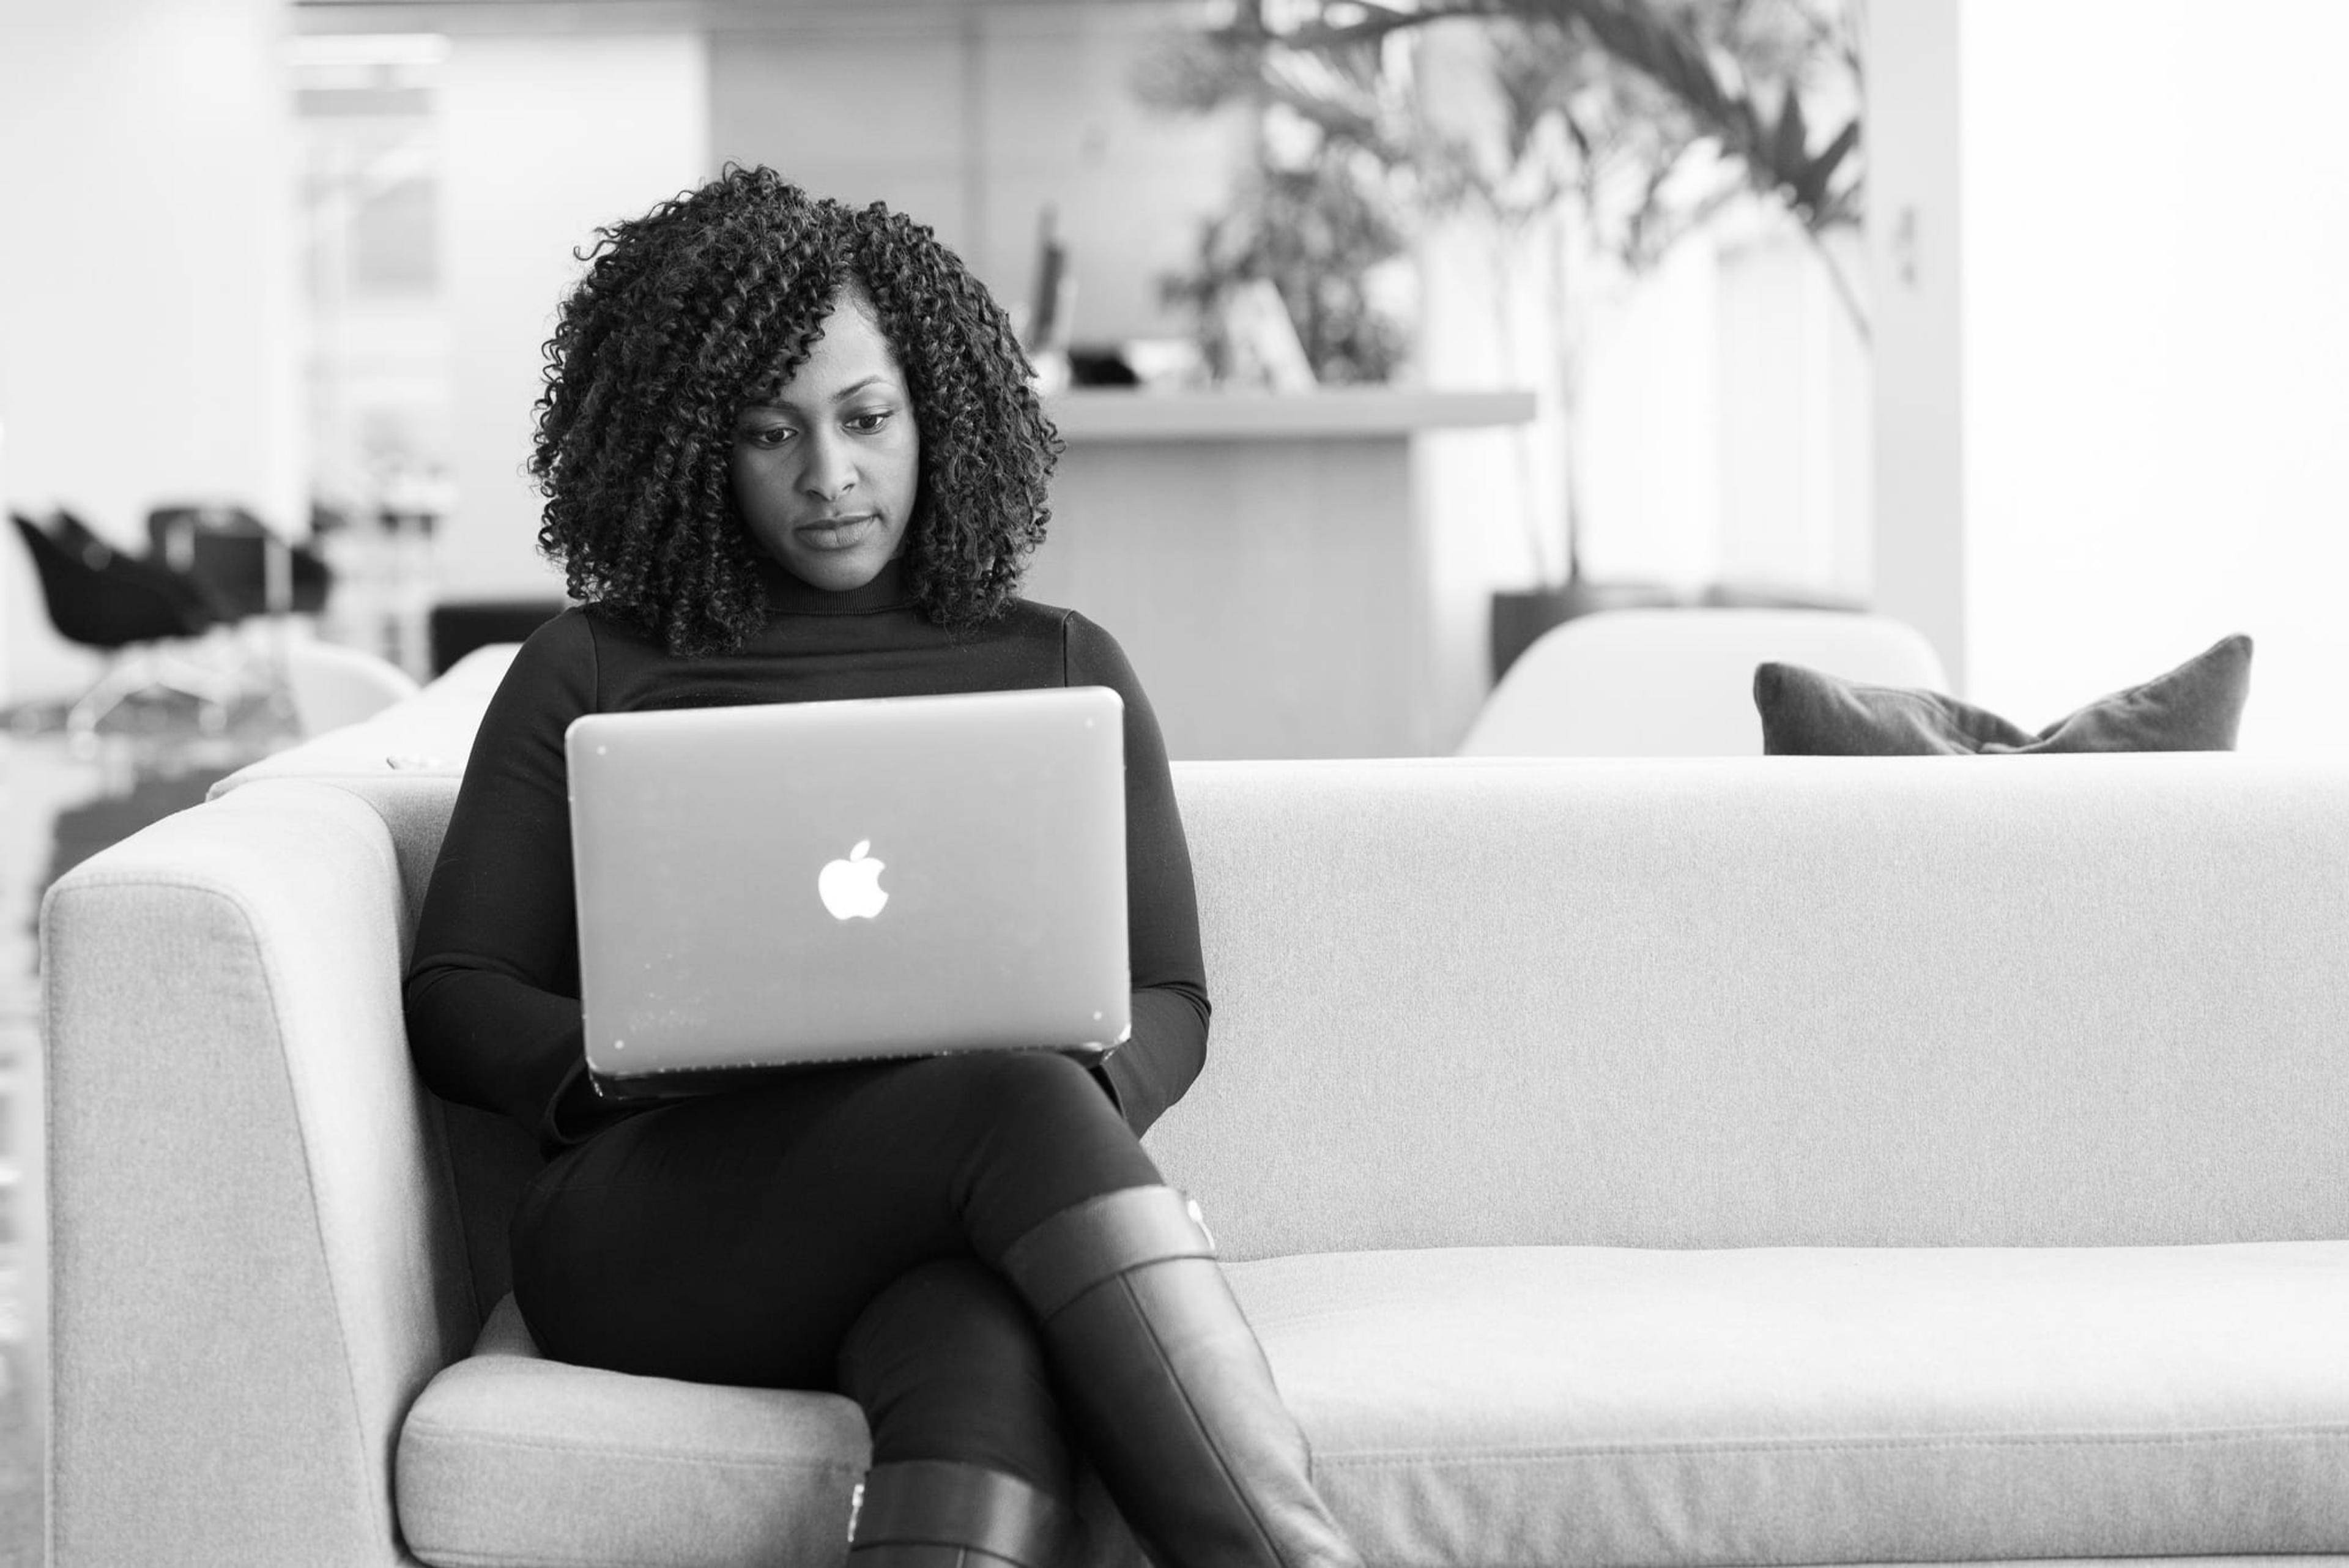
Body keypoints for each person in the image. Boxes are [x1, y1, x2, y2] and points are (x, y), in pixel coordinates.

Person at [403, 165, 1362, 1568]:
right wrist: (639, 1056)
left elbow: (1168, 995)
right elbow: (458, 990)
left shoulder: (1062, 664)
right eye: (770, 433)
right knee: (1017, 1120)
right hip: (656, 1223)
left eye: (865, 420)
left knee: (975, 1344)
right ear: (691, 449)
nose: (829, 475)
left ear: (937, 412)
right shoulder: (595, 667)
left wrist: (1043, 1137)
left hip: (959, 1210)